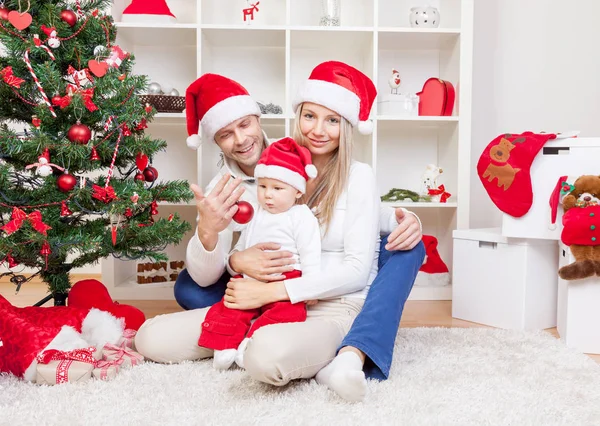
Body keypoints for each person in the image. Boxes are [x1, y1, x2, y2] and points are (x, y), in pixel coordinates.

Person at [135, 66, 425, 402]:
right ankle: (282, 347)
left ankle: (349, 348)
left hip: (329, 303)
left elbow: (359, 263)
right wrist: (223, 247)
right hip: (257, 299)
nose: (318, 130)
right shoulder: (271, 174)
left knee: (265, 356)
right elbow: (245, 244)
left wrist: (270, 293)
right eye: (310, 116)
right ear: (297, 115)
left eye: (332, 120)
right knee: (150, 338)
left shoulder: (358, 176)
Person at [198, 137, 321, 371]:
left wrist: (310, 286)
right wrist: (239, 265)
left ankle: (251, 343)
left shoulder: (301, 216)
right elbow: (244, 245)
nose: (268, 195)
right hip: (250, 277)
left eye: (277, 188)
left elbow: (310, 252)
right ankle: (225, 343)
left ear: (296, 191)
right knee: (230, 306)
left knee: (288, 314)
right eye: (263, 187)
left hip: (286, 278)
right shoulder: (258, 214)